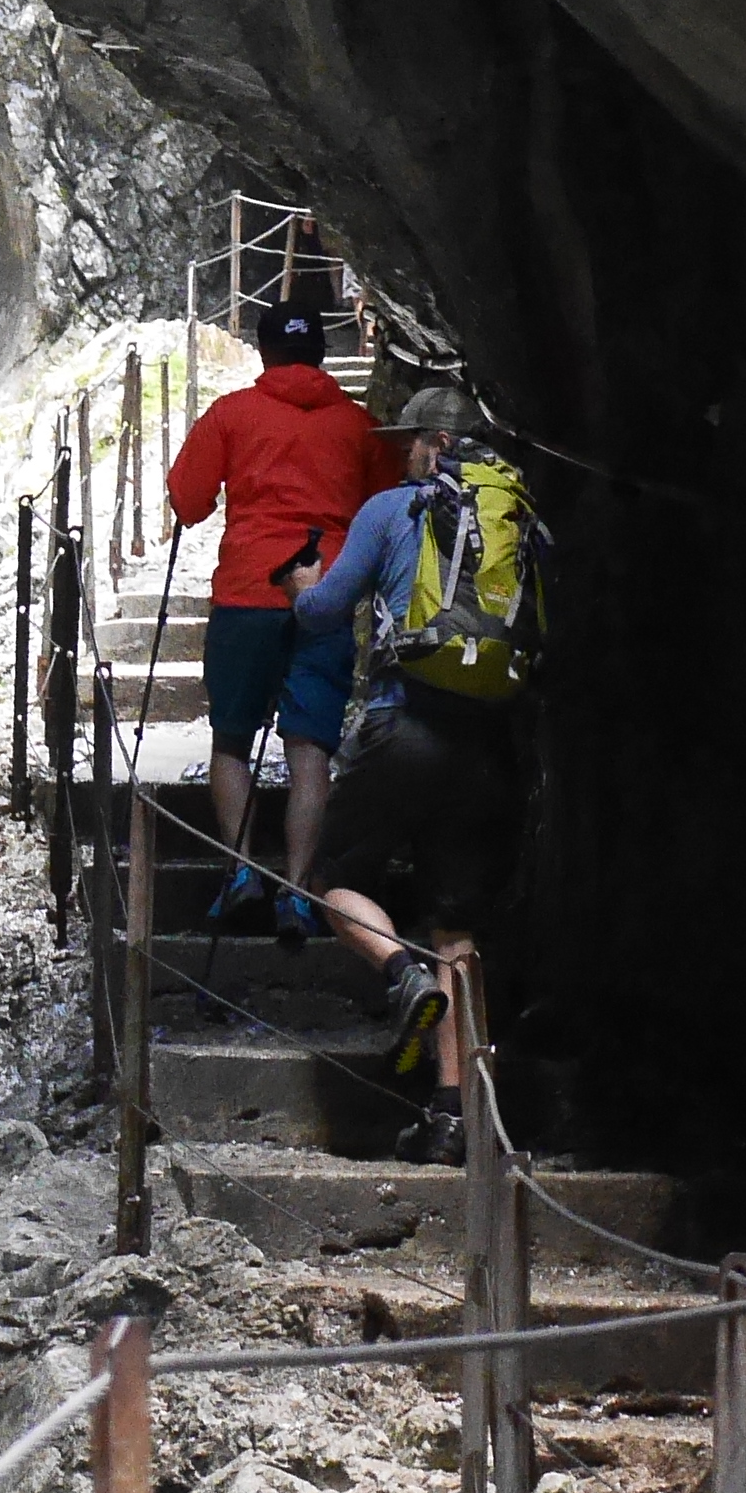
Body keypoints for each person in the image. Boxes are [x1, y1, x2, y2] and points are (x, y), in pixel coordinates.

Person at [294, 381, 533, 1165]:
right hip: (490, 743)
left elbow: (326, 609)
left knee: (332, 879)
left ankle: (402, 979)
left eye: (411, 441)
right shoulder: (519, 521)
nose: (402, 453)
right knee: (456, 926)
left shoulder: (395, 510)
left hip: (405, 724)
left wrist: (301, 589)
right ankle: (451, 1114)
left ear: (433, 443)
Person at [159, 302, 385, 937]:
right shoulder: (359, 426)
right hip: (326, 595)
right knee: (310, 747)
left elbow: (187, 501)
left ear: (263, 354)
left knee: (232, 739)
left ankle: (239, 876)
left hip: (247, 594)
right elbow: (385, 506)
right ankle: (297, 891)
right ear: (319, 352)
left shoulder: (233, 414)